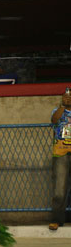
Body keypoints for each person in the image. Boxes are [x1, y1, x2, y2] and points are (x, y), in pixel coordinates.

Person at [49, 89, 71, 231]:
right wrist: (63, 106)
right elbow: (54, 120)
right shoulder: (58, 111)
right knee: (59, 190)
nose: (67, 98)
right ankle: (57, 219)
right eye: (65, 96)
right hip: (61, 153)